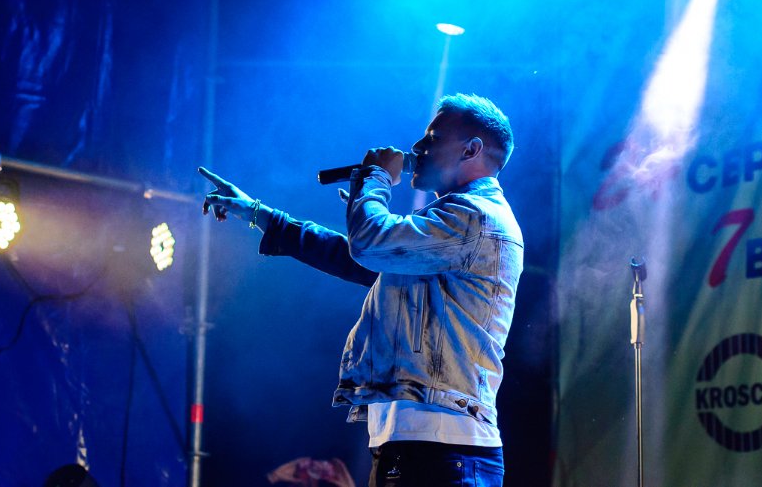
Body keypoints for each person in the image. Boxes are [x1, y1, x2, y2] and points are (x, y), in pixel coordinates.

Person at [200, 93, 523, 487]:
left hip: (443, 449)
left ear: (471, 149)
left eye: (433, 138)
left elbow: (369, 243)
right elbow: (357, 257)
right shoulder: (452, 223)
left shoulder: (476, 218)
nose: (417, 147)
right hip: (412, 444)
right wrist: (260, 214)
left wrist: (376, 178)